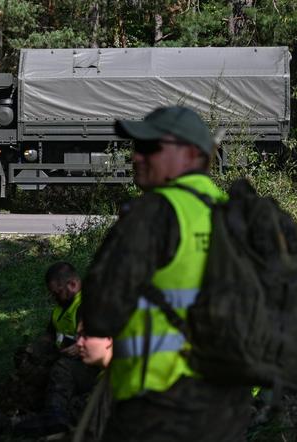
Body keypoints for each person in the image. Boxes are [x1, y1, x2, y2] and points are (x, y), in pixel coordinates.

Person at [81, 106, 252, 441]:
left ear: (190, 153)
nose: (136, 157)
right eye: (136, 147)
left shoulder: (154, 212)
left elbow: (103, 305)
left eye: (149, 148)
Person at [0, 262, 100, 441]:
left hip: (86, 368)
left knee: (62, 384)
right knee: (32, 364)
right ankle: (10, 416)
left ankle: (11, 424)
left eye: (57, 293)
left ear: (72, 284)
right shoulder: (62, 309)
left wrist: (82, 347)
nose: (54, 297)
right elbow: (50, 336)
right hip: (78, 364)